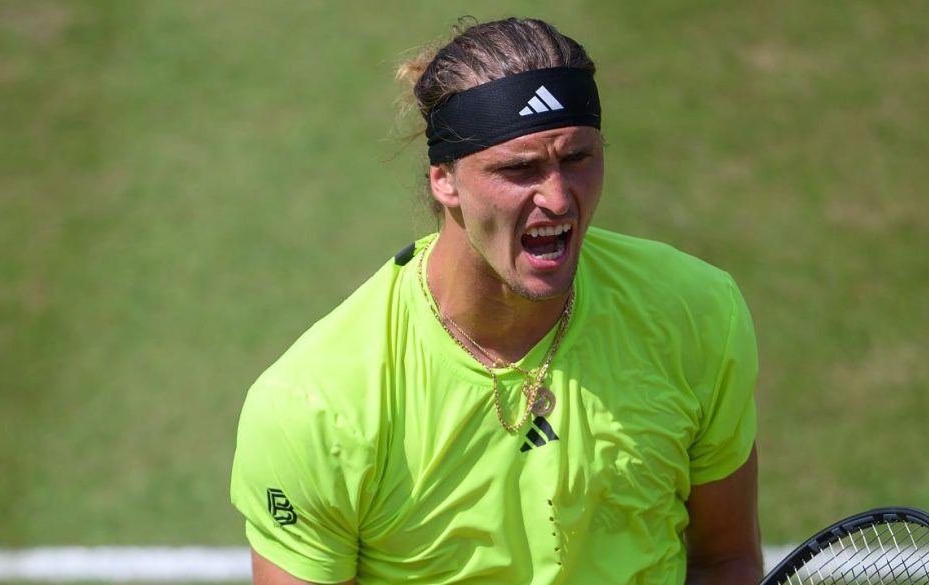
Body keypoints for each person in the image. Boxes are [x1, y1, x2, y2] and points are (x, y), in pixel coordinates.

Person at [230, 17, 762, 585]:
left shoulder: (695, 312)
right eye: (519, 169)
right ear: (445, 181)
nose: (558, 198)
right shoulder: (316, 405)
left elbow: (723, 558)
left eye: (578, 158)